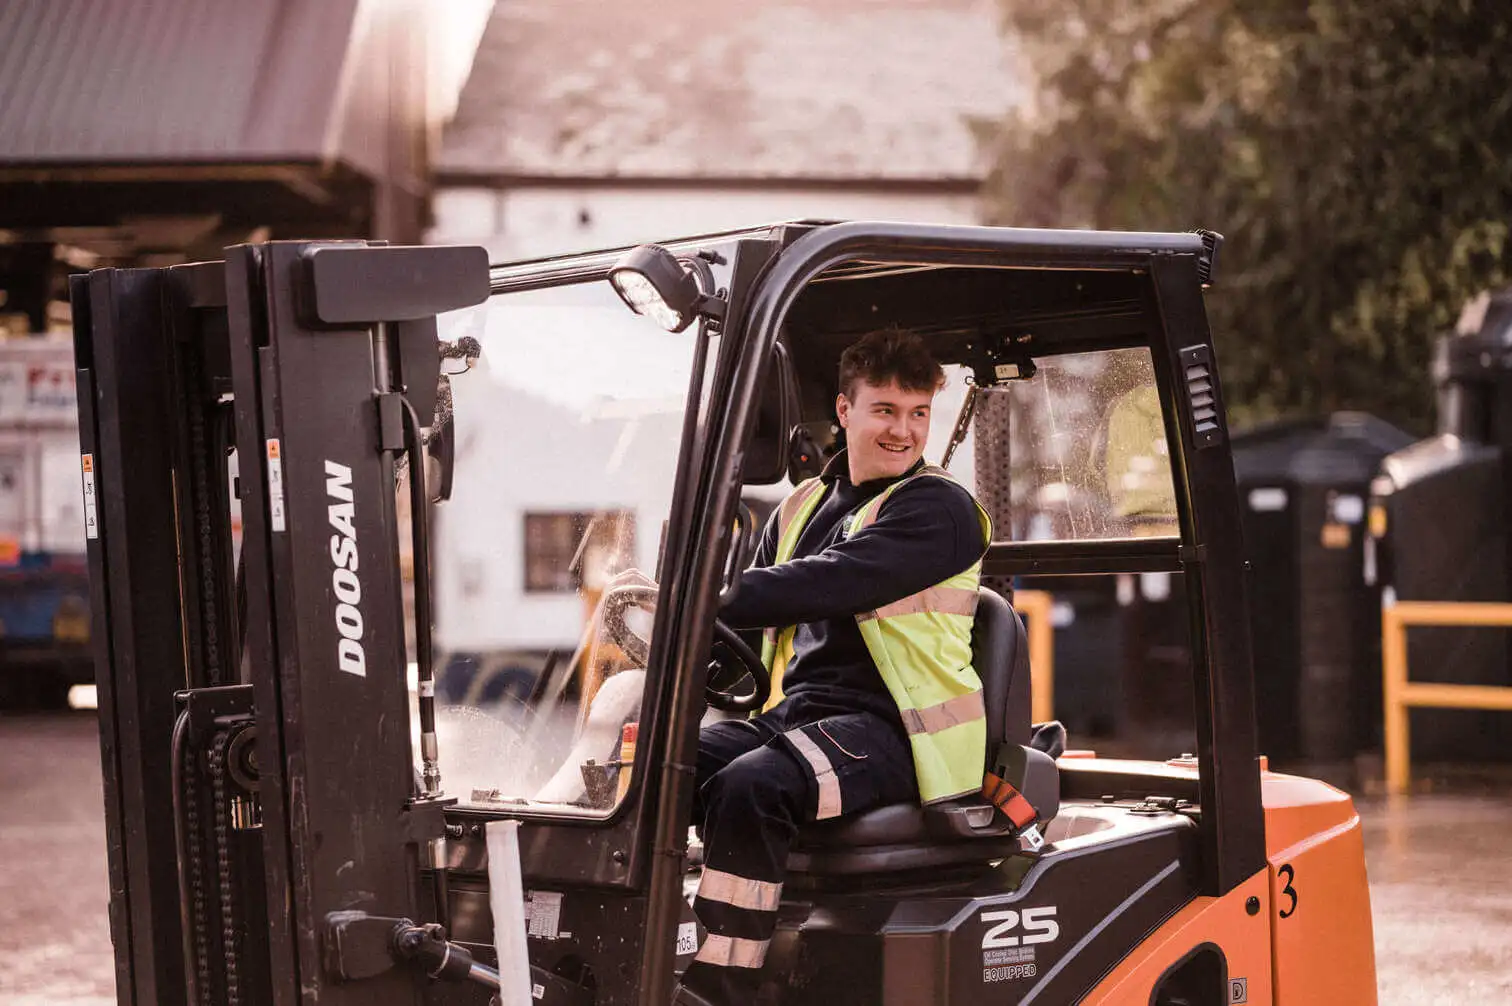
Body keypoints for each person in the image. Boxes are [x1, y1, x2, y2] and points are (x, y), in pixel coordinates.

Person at [673, 327, 993, 1006]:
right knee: (661, 769)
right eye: (886, 410)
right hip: (802, 715)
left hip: (901, 734)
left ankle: (720, 988)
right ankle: (642, 949)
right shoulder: (802, 505)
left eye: (918, 413)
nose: (904, 431)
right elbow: (748, 612)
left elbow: (832, 580)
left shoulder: (939, 508)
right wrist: (681, 642)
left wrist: (700, 595)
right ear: (845, 411)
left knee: (754, 786)